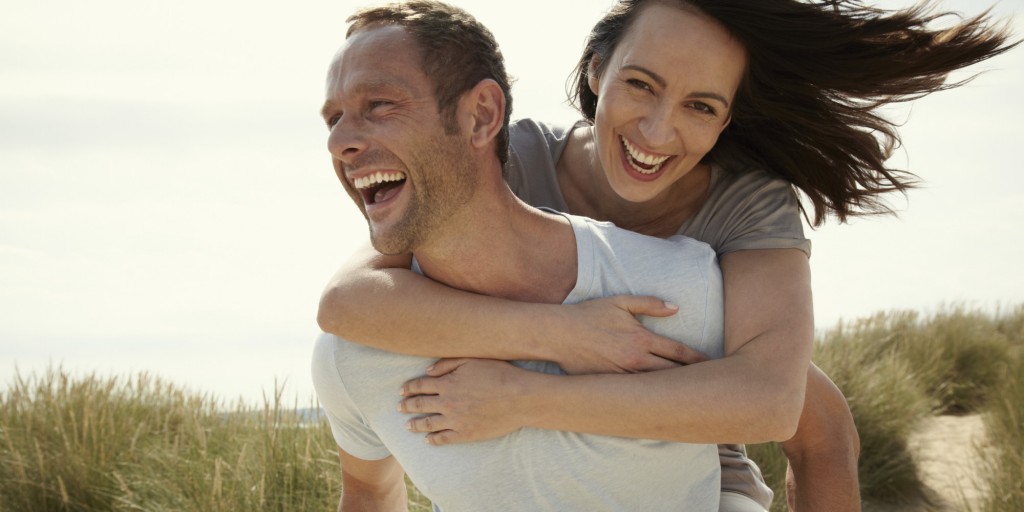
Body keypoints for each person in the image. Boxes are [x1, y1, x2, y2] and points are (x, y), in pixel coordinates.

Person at [317, 0, 1017, 510]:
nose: (657, 131)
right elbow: (348, 304)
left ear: (728, 118)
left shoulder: (747, 207)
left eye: (701, 107)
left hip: (698, 450)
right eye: (641, 85)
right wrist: (565, 334)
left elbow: (785, 407)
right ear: (597, 71)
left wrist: (527, 399)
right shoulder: (518, 158)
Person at [312, 2, 739, 509]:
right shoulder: (352, 355)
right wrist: (562, 335)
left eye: (380, 104)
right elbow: (367, 490)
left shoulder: (673, 288)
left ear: (481, 116)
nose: (339, 141)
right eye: (334, 118)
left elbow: (803, 418)